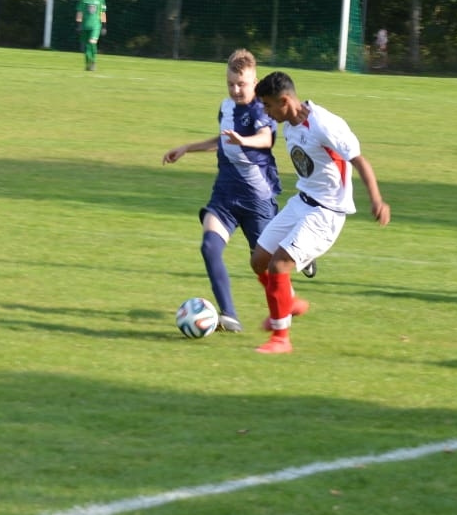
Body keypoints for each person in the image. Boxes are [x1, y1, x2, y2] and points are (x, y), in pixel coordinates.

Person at [249, 70, 390, 354]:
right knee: (259, 261)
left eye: (268, 105)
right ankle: (289, 302)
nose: (266, 112)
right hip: (301, 202)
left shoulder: (324, 124)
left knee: (279, 266)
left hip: (326, 213)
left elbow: (359, 160)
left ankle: (281, 338)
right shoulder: (290, 123)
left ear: (284, 101)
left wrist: (377, 200)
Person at [161, 49, 281, 333]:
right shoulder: (226, 108)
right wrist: (187, 148)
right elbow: (222, 140)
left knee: (268, 264)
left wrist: (244, 141)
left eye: (242, 84)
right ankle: (229, 315)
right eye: (231, 84)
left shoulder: (262, 109)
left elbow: (265, 139)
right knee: (209, 247)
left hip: (257, 200)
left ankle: (298, 276)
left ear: (255, 82)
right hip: (225, 196)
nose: (236, 90)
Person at [75, 0, 107, 71]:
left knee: (92, 42)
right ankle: (88, 63)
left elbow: (103, 13)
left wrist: (104, 26)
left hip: (96, 25)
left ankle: (93, 62)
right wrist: (78, 24)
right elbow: (79, 12)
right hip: (85, 25)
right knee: (87, 46)